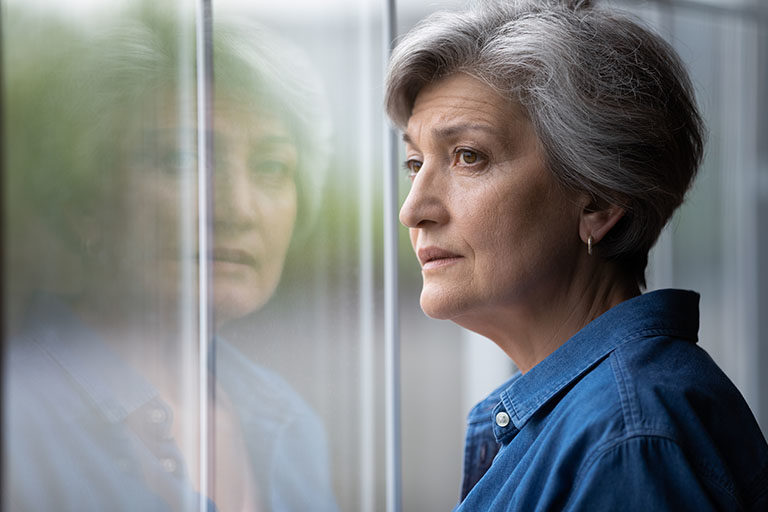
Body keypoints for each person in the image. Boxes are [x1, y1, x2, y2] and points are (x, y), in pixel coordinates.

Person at [385, 0, 768, 510]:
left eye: (468, 156)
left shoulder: (629, 441)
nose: (414, 210)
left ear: (599, 201)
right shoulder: (603, 417)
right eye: (415, 162)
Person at [4, 4, 336, 511]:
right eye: (181, 158)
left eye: (271, 166)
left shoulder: (292, 425)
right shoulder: (20, 418)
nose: (239, 209)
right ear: (84, 203)